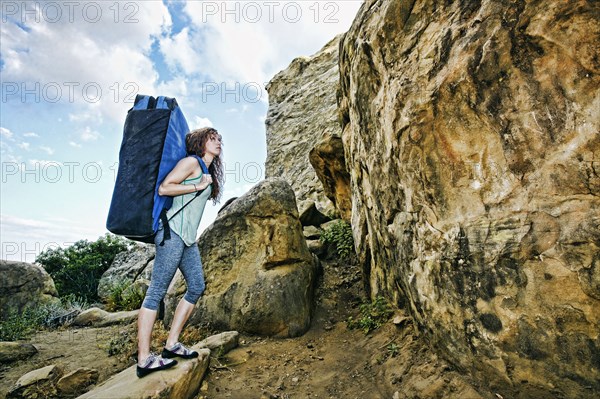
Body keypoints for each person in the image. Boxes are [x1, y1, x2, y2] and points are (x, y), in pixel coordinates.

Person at [136, 127, 224, 378]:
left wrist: (202, 183)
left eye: (219, 139)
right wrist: (197, 185)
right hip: (171, 233)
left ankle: (172, 344)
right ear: (200, 142)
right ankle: (143, 359)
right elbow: (165, 188)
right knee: (156, 293)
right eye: (212, 138)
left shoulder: (206, 171)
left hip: (187, 240)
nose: (218, 142)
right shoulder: (191, 163)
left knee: (196, 286)